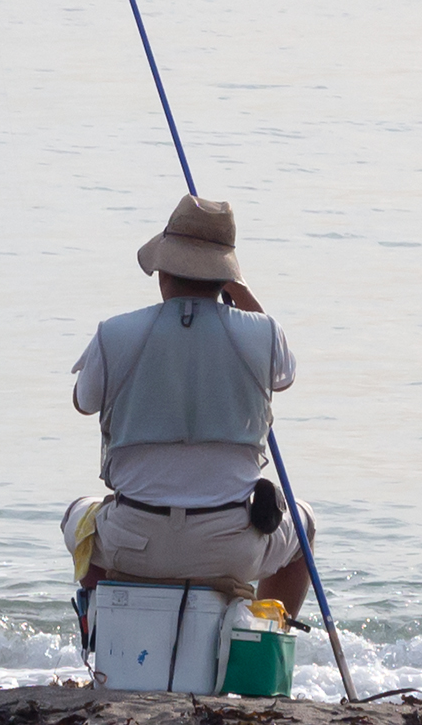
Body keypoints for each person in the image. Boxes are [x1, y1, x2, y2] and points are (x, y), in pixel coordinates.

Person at [63, 193, 312, 630]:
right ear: (225, 279)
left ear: (162, 273)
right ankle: (264, 639)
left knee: (77, 516)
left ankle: (104, 635)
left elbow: (83, 403)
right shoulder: (264, 334)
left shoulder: (113, 333)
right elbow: (284, 376)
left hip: (134, 540)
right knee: (304, 525)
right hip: (231, 545)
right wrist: (241, 293)